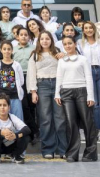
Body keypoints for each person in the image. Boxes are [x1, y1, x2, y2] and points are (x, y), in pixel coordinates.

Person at [55, 36, 98, 163]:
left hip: (82, 91)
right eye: (65, 44)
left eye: (70, 43)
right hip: (66, 93)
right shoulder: (61, 61)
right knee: (71, 123)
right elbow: (59, 77)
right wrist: (57, 94)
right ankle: (72, 154)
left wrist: (90, 96)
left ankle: (91, 153)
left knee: (87, 122)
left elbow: (89, 77)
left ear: (75, 44)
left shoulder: (83, 59)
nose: (67, 46)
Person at [27, 31, 67, 159]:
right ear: (39, 41)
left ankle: (63, 149)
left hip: (57, 85)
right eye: (42, 39)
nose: (45, 41)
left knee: (60, 118)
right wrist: (33, 92)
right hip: (42, 86)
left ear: (51, 40)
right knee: (45, 119)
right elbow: (31, 74)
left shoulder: (58, 53)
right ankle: (48, 149)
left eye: (47, 39)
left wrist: (64, 56)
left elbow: (66, 66)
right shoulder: (35, 55)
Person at [0, 93, 31, 164]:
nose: (2, 107)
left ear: (9, 107)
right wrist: (2, 132)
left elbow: (27, 129)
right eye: (0, 105)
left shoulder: (12, 117)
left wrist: (15, 135)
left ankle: (16, 155)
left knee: (25, 137)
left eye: (5, 105)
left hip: (10, 145)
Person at [12, 28, 37, 140]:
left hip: (31, 77)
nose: (23, 36)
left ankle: (33, 135)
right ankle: (32, 130)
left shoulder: (34, 48)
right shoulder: (13, 50)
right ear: (17, 37)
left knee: (32, 106)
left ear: (29, 37)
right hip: (18, 79)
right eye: (21, 34)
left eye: (25, 35)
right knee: (24, 106)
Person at [0, 42, 24, 120]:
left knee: (18, 119)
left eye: (9, 49)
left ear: (12, 50)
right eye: (4, 49)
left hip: (15, 96)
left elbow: (21, 80)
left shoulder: (17, 65)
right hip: (1, 97)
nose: (7, 51)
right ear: (1, 50)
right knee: (3, 120)